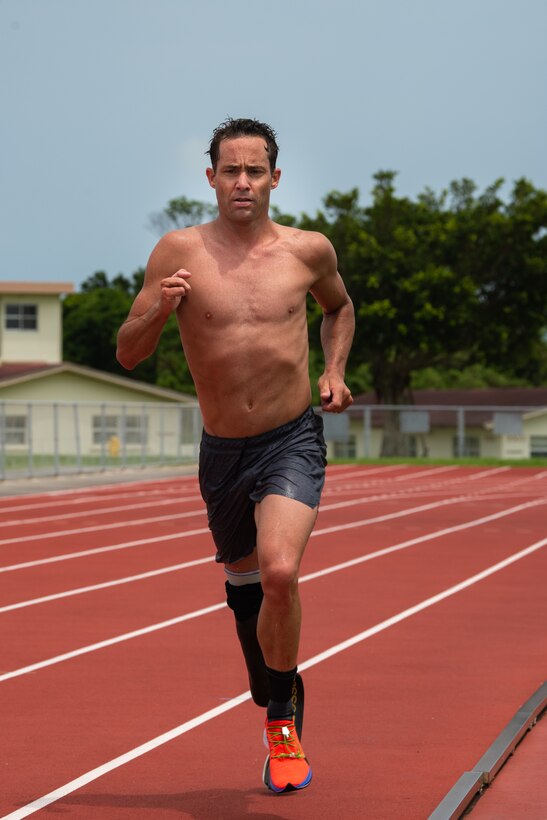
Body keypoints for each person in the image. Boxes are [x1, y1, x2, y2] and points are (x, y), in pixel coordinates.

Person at [116, 117, 354, 793]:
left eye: (255, 170)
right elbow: (128, 351)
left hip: (290, 438)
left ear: (274, 178)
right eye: (230, 170)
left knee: (279, 572)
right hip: (222, 450)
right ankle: (272, 678)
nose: (242, 182)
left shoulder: (306, 251)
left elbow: (338, 308)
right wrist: (157, 311)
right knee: (247, 589)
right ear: (211, 177)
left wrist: (332, 372)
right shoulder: (177, 253)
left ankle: (280, 721)